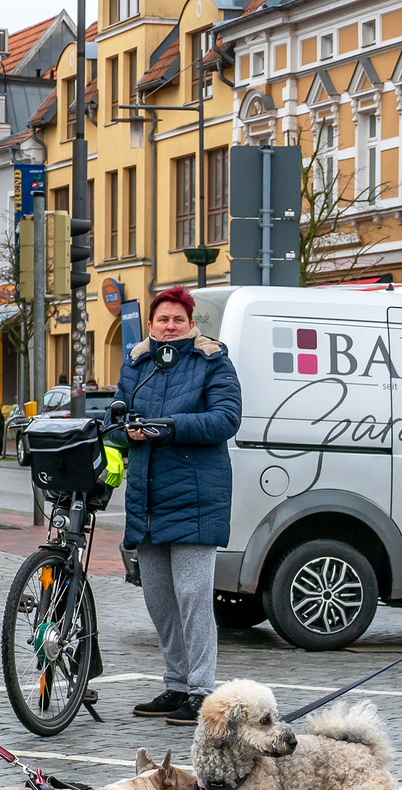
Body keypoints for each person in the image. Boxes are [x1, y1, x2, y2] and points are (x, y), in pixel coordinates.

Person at [116, 286, 242, 725]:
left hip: (195, 498)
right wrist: (124, 431)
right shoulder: (136, 364)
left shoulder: (212, 361)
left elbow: (226, 419)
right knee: (160, 601)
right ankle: (176, 684)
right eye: (162, 320)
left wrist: (169, 427)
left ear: (191, 324)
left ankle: (202, 691)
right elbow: (119, 419)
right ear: (151, 324)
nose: (170, 327)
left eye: (178, 320)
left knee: (192, 599)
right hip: (148, 499)